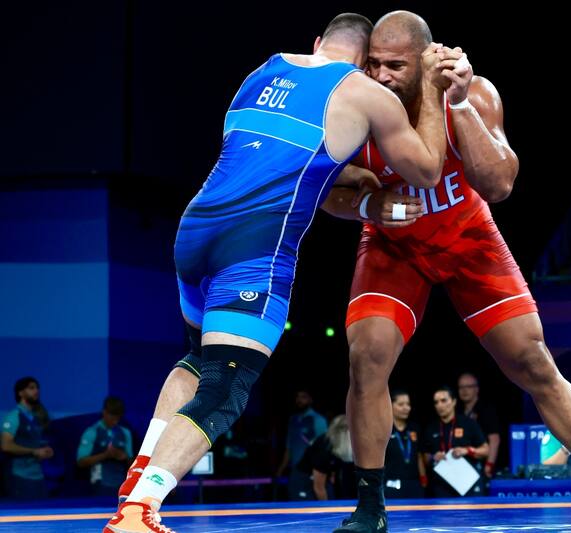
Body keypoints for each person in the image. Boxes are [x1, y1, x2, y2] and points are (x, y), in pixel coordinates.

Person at [105, 12, 455, 532]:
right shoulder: (362, 90)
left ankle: (135, 484)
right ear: (363, 63)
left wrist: (356, 187)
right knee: (226, 386)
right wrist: (430, 84)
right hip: (253, 248)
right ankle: (140, 511)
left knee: (198, 360)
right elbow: (427, 168)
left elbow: (281, 157)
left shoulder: (261, 72)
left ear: (318, 44)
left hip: (194, 232)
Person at [321, 10, 571, 532]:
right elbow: (326, 195)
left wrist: (457, 105)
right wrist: (368, 209)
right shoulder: (358, 107)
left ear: (426, 60)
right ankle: (370, 508)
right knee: (365, 357)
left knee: (533, 362)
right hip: (394, 246)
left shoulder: (473, 92)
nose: (382, 76)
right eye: (373, 64)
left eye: (395, 65)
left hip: (468, 239)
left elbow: (500, 184)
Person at [423, 386, 487, 498]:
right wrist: (434, 457)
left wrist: (467, 451)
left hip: (468, 483)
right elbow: (425, 457)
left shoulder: (468, 423)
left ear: (454, 402)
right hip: (441, 486)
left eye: (444, 401)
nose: (440, 405)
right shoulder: (431, 428)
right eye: (436, 402)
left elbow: (486, 450)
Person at [1, 377, 53, 499]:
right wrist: (34, 451)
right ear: (20, 393)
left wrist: (45, 451)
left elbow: (34, 444)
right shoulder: (14, 416)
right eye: (31, 388)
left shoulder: (35, 418)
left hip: (38, 476)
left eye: (37, 388)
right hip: (20, 476)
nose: (36, 391)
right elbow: (6, 445)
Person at [77, 397, 134, 496]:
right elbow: (81, 461)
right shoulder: (92, 432)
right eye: (112, 418)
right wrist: (105, 455)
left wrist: (124, 456)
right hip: (99, 486)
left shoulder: (125, 433)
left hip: (121, 486)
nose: (115, 422)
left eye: (118, 418)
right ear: (104, 412)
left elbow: (132, 463)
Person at [277, 389, 328, 500]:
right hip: (296, 470)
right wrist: (281, 470)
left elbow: (324, 447)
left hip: (313, 470)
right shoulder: (293, 420)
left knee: (315, 502)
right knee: (295, 501)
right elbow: (289, 447)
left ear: (310, 399)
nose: (299, 400)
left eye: (303, 397)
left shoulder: (318, 420)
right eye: (297, 397)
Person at [293, 415, 355, 500]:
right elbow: (318, 488)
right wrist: (327, 510)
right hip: (304, 480)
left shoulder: (339, 445)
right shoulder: (324, 448)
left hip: (324, 477)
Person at [457, 372, 501, 478]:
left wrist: (489, 464)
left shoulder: (486, 410)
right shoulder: (457, 411)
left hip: (482, 464)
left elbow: (494, 439)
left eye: (469, 387)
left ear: (477, 389)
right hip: (462, 466)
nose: (465, 390)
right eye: (461, 387)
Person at [384, 389, 426, 499]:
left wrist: (424, 480)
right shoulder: (384, 430)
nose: (406, 408)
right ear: (390, 405)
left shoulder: (415, 428)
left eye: (408, 404)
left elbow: (419, 456)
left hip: (414, 483)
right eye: (401, 404)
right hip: (390, 484)